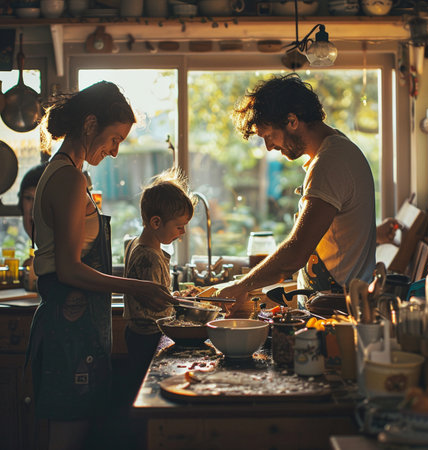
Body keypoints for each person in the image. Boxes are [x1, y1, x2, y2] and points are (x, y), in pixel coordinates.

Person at [26, 81, 175, 450]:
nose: (115, 151)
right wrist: (138, 286)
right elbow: (69, 270)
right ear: (90, 124)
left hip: (79, 329)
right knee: (68, 439)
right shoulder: (68, 179)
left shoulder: (70, 174)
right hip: (68, 329)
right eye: (114, 138)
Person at [216, 73, 376, 313]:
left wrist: (240, 286)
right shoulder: (331, 153)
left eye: (269, 135)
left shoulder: (330, 162)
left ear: (292, 121)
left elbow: (296, 252)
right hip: (328, 308)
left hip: (338, 314)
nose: (269, 146)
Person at [123, 167, 196, 395]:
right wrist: (180, 304)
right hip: (147, 338)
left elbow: (155, 294)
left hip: (138, 334)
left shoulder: (137, 243)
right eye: (179, 226)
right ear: (156, 223)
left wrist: (177, 297)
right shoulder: (149, 258)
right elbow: (155, 305)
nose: (182, 233)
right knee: (149, 391)